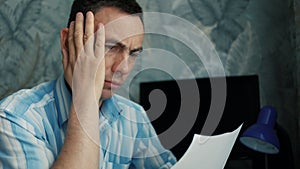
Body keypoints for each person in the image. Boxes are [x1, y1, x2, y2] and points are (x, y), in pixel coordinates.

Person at [0, 0, 177, 168]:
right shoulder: (17, 119)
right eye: (109, 47)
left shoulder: (134, 117)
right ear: (67, 41)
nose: (122, 68)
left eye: (133, 54)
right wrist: (85, 96)